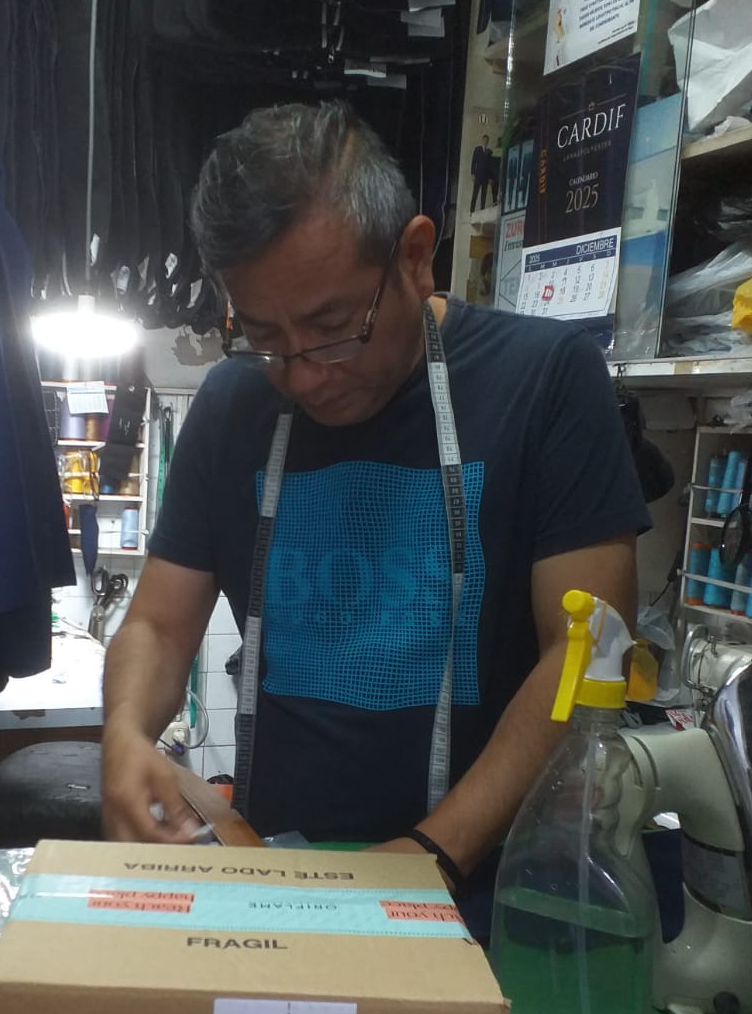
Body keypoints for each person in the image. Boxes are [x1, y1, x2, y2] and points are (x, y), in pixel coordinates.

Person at [101, 102, 648, 918]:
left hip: (489, 896)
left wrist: (432, 855)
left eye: (332, 327)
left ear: (415, 258)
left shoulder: (545, 382)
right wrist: (123, 735)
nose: (303, 375)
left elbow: (585, 650)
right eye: (265, 336)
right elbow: (158, 624)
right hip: (280, 884)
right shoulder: (232, 407)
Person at [469, 134, 495, 212]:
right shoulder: (477, 149)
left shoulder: (489, 151)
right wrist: (472, 173)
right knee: (475, 194)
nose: (485, 142)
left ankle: (482, 210)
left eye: (487, 141)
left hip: (485, 176)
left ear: (488, 142)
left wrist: (491, 177)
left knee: (484, 194)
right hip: (478, 175)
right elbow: (474, 161)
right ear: (482, 140)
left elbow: (490, 165)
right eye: (484, 140)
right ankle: (471, 211)